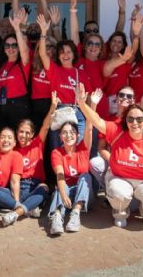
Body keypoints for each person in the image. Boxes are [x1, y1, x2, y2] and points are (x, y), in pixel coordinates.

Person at [0, 92, 58, 226]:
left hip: (35, 186)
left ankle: (16, 213)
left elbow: (46, 126)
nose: (23, 135)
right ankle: (28, 208)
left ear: (32, 134)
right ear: (17, 132)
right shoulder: (12, 148)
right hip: (17, 188)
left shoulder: (38, 143)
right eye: (21, 131)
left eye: (27, 132)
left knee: (44, 188)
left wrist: (53, 107)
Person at [36, 12, 91, 149]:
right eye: (62, 52)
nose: (65, 55)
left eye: (68, 52)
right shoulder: (54, 70)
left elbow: (88, 100)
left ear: (73, 54)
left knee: (77, 149)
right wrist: (43, 32)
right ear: (58, 55)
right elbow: (42, 54)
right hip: (59, 111)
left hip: (78, 113)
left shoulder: (81, 73)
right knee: (58, 150)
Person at [47, 84, 94, 236]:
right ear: (60, 136)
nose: (69, 135)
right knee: (60, 187)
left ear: (77, 134)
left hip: (83, 193)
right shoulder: (56, 152)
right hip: (66, 190)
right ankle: (58, 216)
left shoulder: (83, 148)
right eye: (65, 133)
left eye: (72, 132)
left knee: (85, 177)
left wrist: (91, 104)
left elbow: (89, 127)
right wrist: (63, 192)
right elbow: (59, 175)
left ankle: (75, 213)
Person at [0, 6, 31, 132]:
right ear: (4, 48)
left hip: (18, 106)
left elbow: (25, 50)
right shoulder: (0, 66)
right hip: (1, 106)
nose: (11, 48)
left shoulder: (23, 63)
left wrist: (17, 28)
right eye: (7, 45)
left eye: (14, 45)